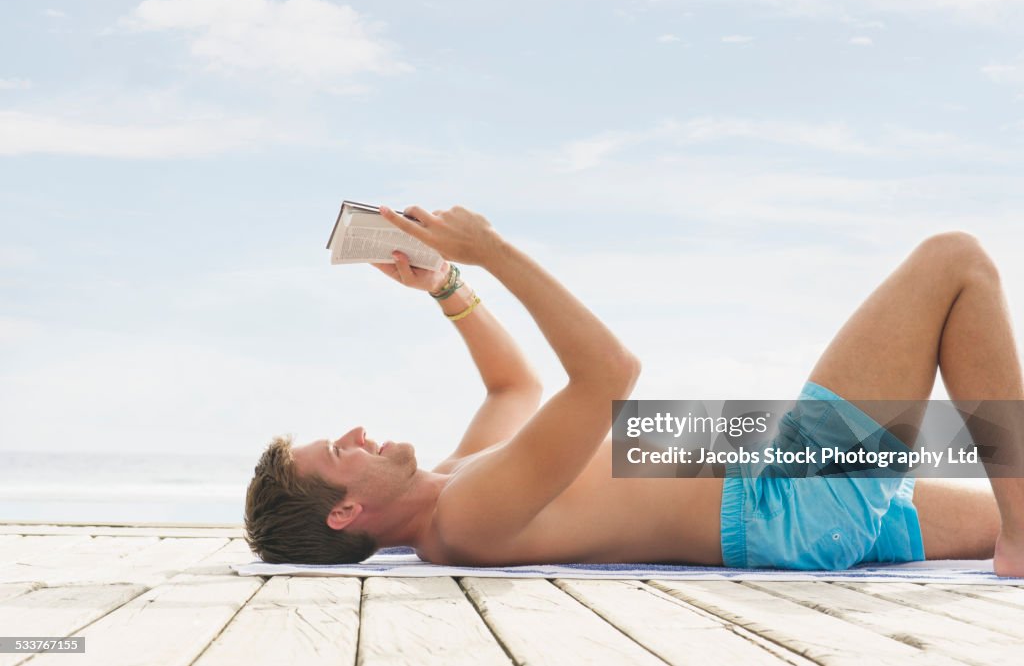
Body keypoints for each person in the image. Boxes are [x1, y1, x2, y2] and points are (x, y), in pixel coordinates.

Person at [244, 205, 1024, 577]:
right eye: (338, 451)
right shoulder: (467, 519)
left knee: (1007, 501)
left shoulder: (458, 480)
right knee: (953, 259)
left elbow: (514, 384)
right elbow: (610, 372)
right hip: (783, 502)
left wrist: (446, 284)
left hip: (777, 481)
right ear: (345, 511)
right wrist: (493, 250)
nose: (355, 431)